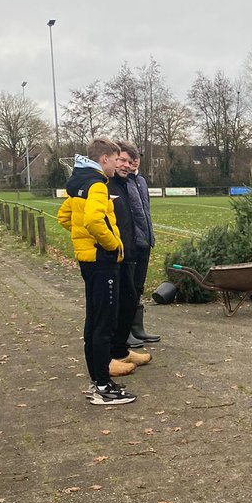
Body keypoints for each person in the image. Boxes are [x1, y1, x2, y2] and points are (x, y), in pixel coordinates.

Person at [57, 137, 136, 406]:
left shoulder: (78, 183)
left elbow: (65, 218)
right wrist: (113, 245)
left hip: (87, 261)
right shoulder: (98, 184)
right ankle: (102, 386)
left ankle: (98, 381)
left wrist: (83, 240)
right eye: (116, 159)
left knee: (93, 321)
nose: (118, 165)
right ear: (104, 159)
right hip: (103, 263)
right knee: (104, 324)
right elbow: (92, 220)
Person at [108, 147, 152, 372]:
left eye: (130, 160)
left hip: (133, 250)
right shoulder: (105, 185)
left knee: (131, 297)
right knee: (114, 305)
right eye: (121, 160)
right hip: (115, 254)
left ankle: (121, 350)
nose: (126, 164)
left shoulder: (129, 183)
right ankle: (110, 356)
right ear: (111, 160)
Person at [121, 144, 159, 345]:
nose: (134, 161)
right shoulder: (122, 181)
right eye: (130, 158)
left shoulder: (141, 181)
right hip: (132, 243)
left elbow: (146, 211)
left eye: (137, 157)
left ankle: (137, 327)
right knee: (128, 288)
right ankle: (125, 330)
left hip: (145, 241)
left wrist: (149, 236)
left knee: (138, 287)